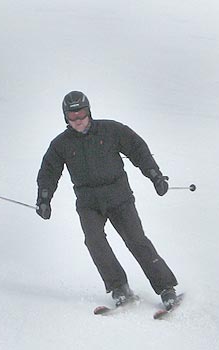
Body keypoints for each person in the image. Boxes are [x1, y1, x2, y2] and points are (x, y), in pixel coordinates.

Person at [36, 91, 179, 309]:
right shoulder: (61, 144)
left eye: (82, 114)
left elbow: (137, 149)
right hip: (88, 203)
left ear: (89, 111)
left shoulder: (111, 130)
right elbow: (49, 172)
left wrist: (155, 176)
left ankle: (166, 287)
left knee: (136, 240)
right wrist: (44, 199)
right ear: (66, 117)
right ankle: (118, 286)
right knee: (94, 241)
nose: (78, 120)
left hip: (119, 197)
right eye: (72, 116)